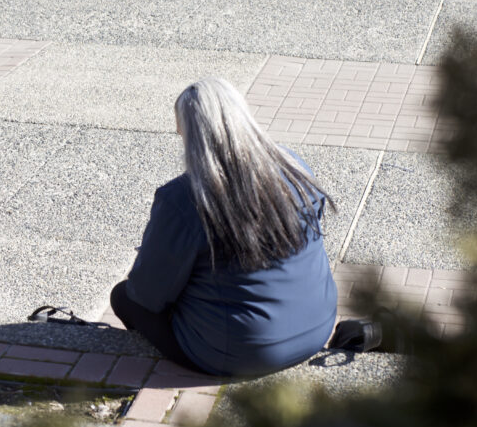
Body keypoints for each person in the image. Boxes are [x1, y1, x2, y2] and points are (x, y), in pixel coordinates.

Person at [111, 77, 337, 377]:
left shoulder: (182, 197)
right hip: (318, 326)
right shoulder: (294, 166)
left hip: (242, 352)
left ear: (190, 135)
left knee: (123, 297)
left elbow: (147, 293)